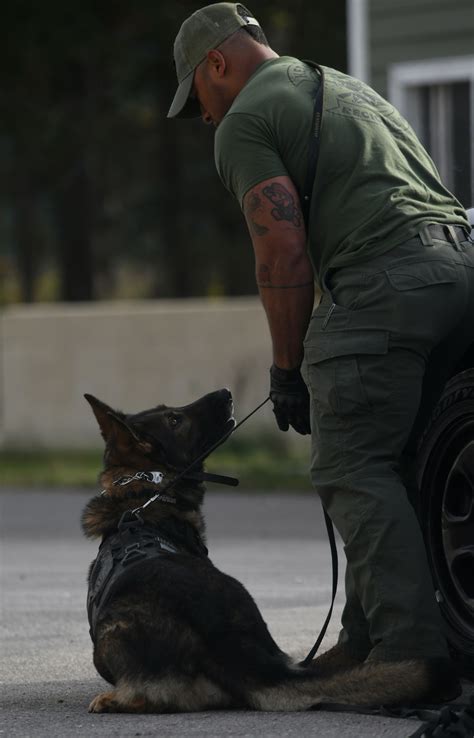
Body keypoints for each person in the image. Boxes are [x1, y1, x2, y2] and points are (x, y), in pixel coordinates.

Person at [168, 2, 473, 704]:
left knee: (351, 464)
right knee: (393, 462)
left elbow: (280, 250)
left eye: (200, 100)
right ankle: (365, 641)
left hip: (383, 283)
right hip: (460, 273)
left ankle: (408, 659)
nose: (207, 118)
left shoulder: (245, 119)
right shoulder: (346, 87)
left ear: (219, 63)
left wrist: (287, 367)